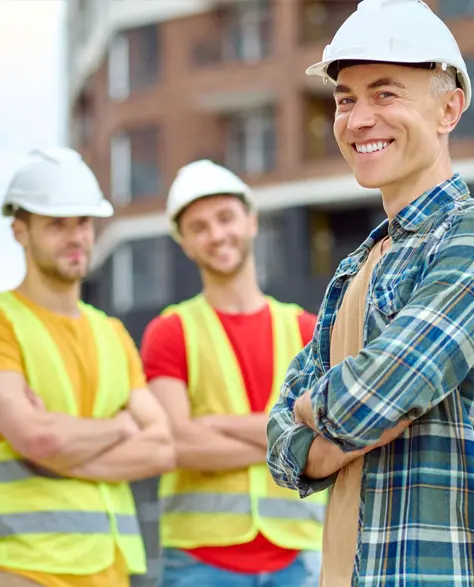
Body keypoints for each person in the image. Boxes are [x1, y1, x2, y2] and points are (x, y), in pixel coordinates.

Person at [266, 0, 474, 585]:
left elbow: (377, 395)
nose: (358, 119)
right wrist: (323, 427)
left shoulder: (467, 234)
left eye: (386, 95)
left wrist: (320, 413)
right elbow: (281, 444)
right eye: (346, 99)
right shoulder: (356, 266)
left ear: (449, 108)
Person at [141, 159, 326, 587]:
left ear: (252, 221)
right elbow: (176, 442)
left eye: (225, 218)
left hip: (300, 554)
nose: (216, 234)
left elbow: (325, 433)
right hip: (198, 561)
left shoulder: (307, 329)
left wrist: (215, 426)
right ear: (183, 242)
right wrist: (286, 440)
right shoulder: (170, 332)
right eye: (199, 227)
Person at [0, 148, 176, 587]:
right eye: (56, 224)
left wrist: (59, 451)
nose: (75, 236)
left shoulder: (111, 332)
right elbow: (36, 436)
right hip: (25, 565)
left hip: (111, 566)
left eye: (82, 221)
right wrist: (120, 427)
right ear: (20, 231)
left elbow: (161, 447)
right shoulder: (4, 321)